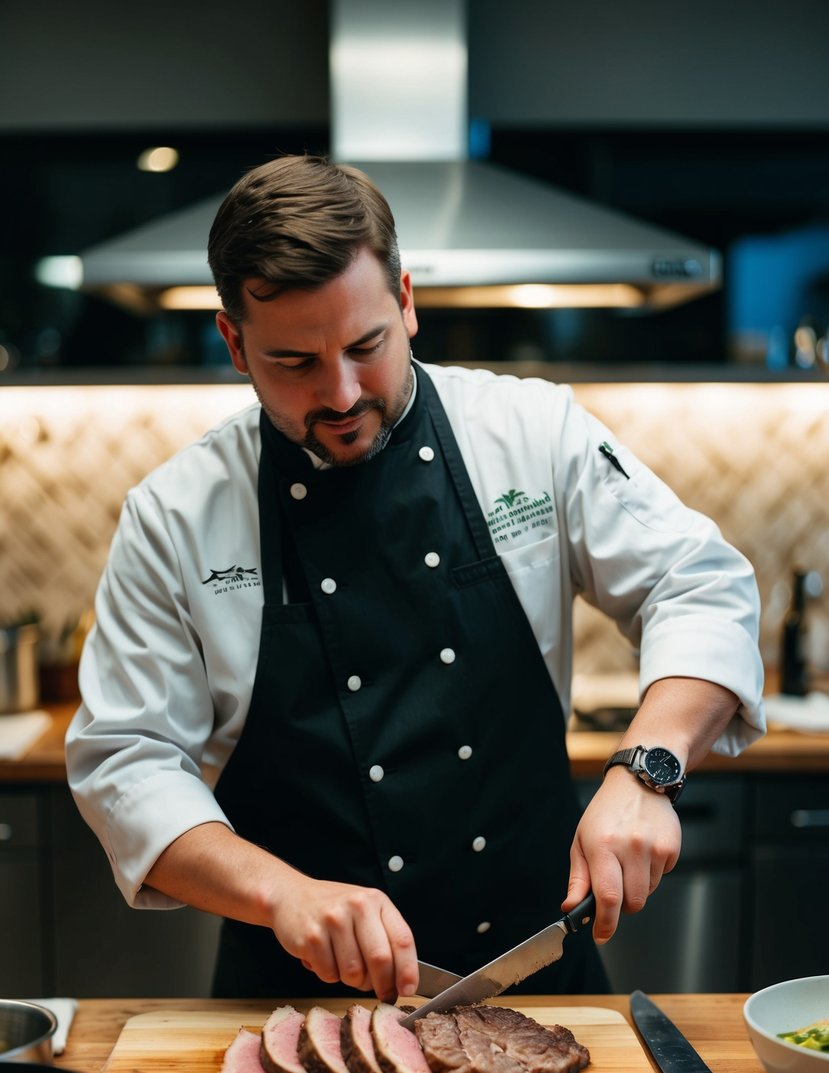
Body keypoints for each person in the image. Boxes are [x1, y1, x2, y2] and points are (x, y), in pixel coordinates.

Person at [65, 154, 765, 1002]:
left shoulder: (529, 432)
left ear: (406, 301)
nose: (342, 393)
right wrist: (281, 894)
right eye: (293, 362)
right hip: (295, 1000)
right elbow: (126, 762)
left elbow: (696, 582)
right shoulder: (175, 514)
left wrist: (646, 768)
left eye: (366, 345)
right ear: (232, 341)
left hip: (537, 974)